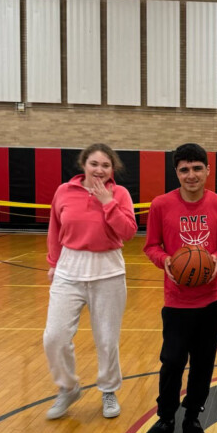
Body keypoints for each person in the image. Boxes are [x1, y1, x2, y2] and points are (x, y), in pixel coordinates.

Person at [140, 143, 217, 433]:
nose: (191, 175)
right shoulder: (160, 204)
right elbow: (151, 246)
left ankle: (192, 416)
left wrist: (214, 261)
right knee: (171, 361)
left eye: (197, 168)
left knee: (203, 362)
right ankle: (166, 417)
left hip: (213, 297)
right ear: (176, 173)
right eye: (184, 169)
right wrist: (165, 261)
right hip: (177, 300)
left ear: (208, 170)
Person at [43, 143, 137, 419]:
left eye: (105, 165)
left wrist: (108, 202)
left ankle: (108, 390)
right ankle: (68, 387)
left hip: (108, 270)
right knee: (54, 337)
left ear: (112, 169)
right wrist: (53, 263)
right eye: (94, 164)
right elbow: (54, 229)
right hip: (69, 269)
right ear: (83, 164)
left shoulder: (120, 193)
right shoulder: (64, 191)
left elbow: (128, 232)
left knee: (107, 339)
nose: (99, 170)